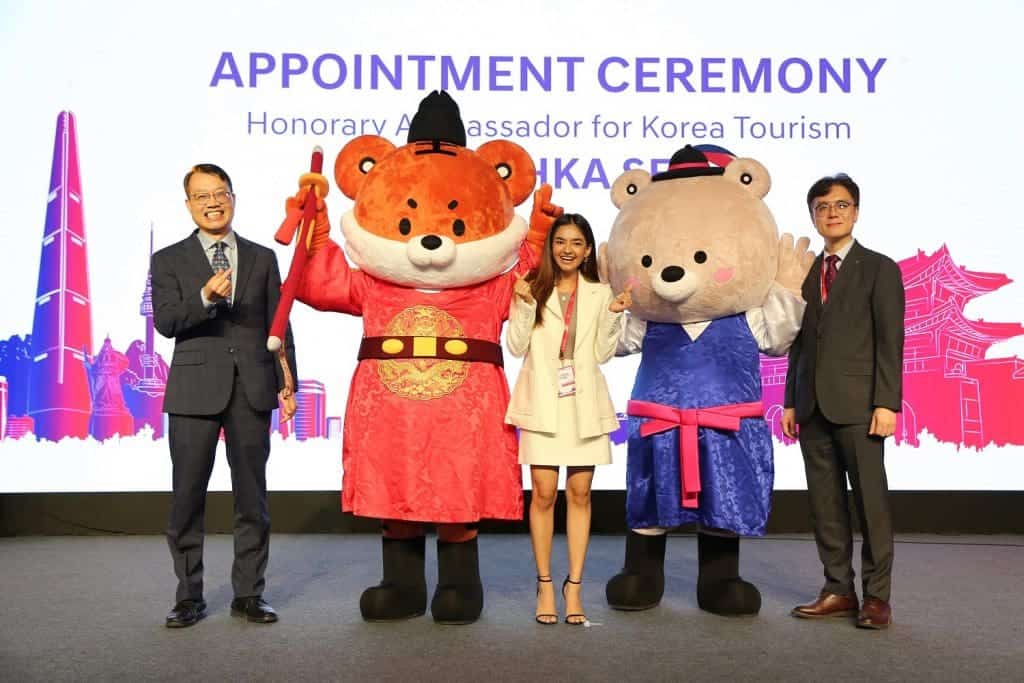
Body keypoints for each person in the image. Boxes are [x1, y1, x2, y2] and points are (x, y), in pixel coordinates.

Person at [152, 163, 297, 628]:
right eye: (201, 196)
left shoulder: (260, 257)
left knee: (252, 497)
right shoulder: (169, 259)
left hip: (252, 387)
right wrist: (205, 297)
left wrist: (286, 379)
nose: (212, 202)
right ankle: (188, 596)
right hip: (194, 390)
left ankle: (249, 594)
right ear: (189, 205)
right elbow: (167, 322)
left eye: (220, 193)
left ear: (232, 198)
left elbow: (280, 323)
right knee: (187, 497)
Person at [782, 173, 905, 629]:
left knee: (871, 503)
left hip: (861, 406)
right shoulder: (807, 271)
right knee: (825, 504)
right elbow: (799, 341)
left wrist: (887, 402)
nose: (831, 214)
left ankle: (877, 597)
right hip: (811, 406)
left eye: (840, 205)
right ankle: (837, 589)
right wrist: (791, 400)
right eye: (821, 207)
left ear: (855, 212)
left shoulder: (879, 267)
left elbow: (891, 341)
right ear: (812, 215)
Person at [505, 213, 631, 625]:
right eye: (561, 241)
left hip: (583, 402)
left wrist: (614, 313)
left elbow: (601, 354)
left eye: (577, 242)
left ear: (588, 249)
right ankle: (544, 584)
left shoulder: (599, 292)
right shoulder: (531, 286)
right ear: (550, 245)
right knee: (542, 493)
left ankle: (573, 587)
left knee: (579, 494)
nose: (568, 249)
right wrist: (522, 305)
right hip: (543, 399)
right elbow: (516, 344)